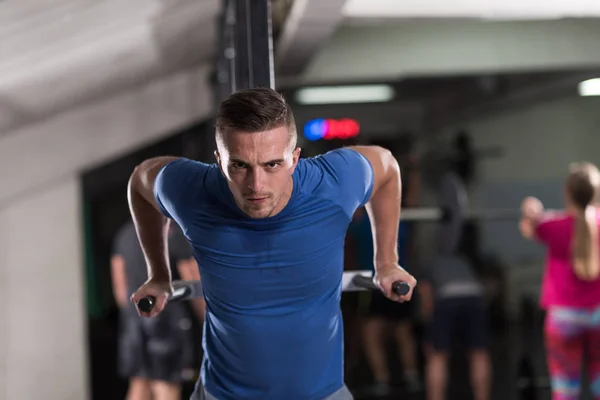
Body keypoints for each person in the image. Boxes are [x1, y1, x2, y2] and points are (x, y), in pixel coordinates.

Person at [127, 87, 417, 400]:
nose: (256, 185)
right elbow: (140, 181)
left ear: (294, 158)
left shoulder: (332, 183)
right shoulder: (193, 190)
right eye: (239, 166)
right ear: (218, 159)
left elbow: (386, 167)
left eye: (272, 165)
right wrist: (158, 273)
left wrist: (386, 261)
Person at [346, 137, 421, 396]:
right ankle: (406, 376)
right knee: (399, 330)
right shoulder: (397, 211)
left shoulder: (390, 212)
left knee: (374, 330)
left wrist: (413, 168)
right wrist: (414, 169)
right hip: (375, 278)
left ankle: (384, 378)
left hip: (386, 277)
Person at [520, 162, 600, 400]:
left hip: (563, 319)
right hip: (598, 316)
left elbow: (527, 227)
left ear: (567, 192)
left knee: (566, 390)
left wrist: (530, 209)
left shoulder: (551, 225)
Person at [417, 166, 491, 400]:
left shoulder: (431, 263)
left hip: (448, 298)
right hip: (474, 297)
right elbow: (482, 289)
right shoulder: (463, 262)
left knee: (437, 355)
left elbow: (427, 299)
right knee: (478, 353)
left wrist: (431, 329)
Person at [111, 220, 205, 400]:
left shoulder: (124, 234)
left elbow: (119, 286)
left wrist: (132, 315)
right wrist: (207, 319)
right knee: (166, 387)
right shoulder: (174, 233)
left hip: (133, 321)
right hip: (167, 321)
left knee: (139, 386)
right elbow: (192, 282)